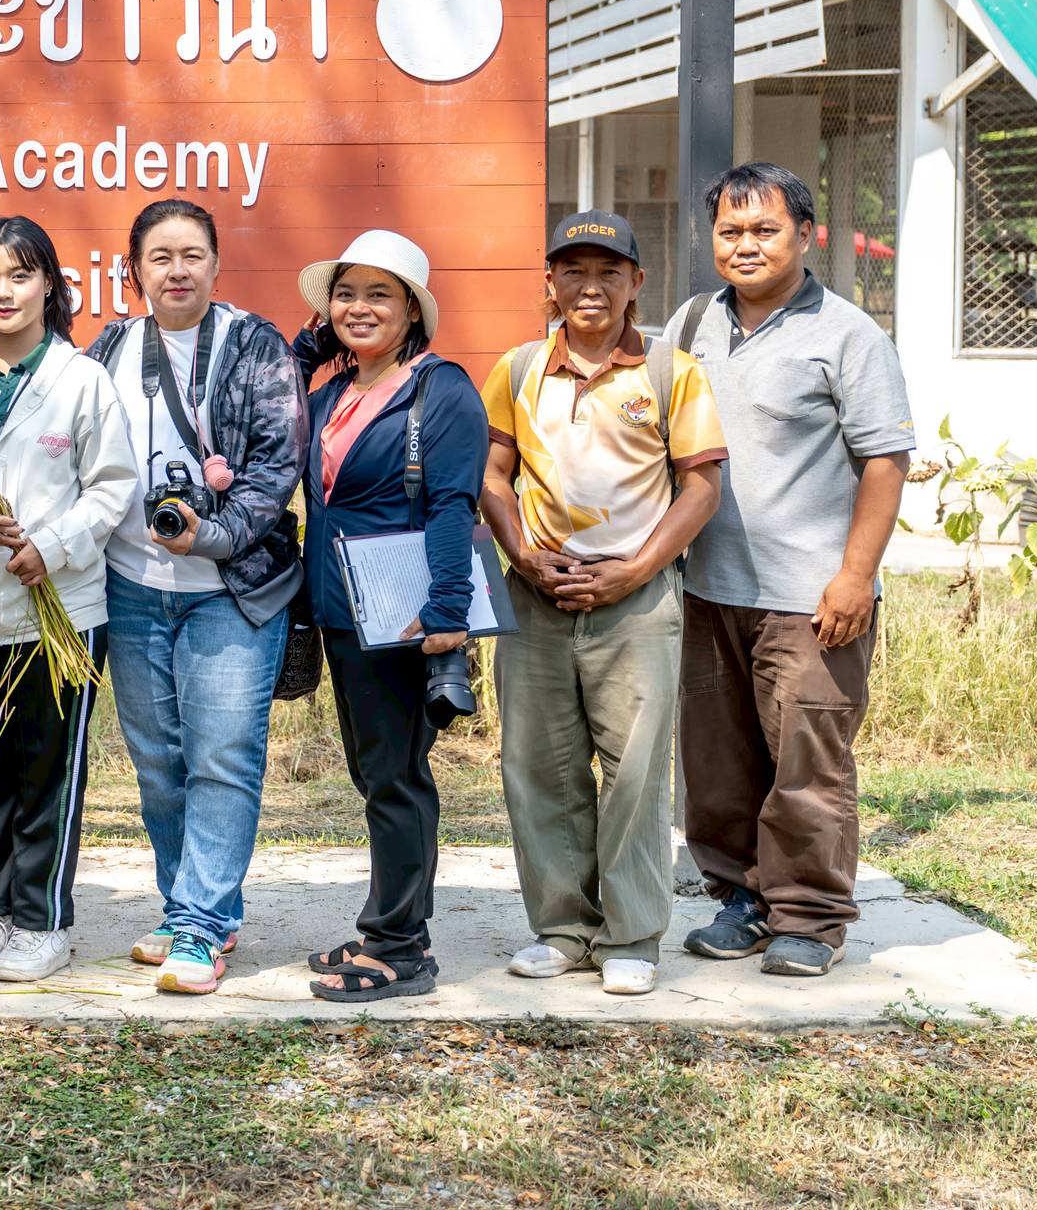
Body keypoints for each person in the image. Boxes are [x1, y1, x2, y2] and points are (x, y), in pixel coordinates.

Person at [667, 163, 914, 978]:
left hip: (809, 599)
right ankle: (742, 900)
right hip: (709, 588)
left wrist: (855, 577)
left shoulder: (848, 335)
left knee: (809, 764)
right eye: (730, 231)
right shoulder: (692, 323)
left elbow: (885, 462)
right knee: (719, 764)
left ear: (805, 235)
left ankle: (810, 918)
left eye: (765, 229)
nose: (746, 245)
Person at [480, 209, 727, 998]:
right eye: (574, 271)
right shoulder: (519, 369)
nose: (591, 286)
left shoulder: (670, 371)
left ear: (635, 283)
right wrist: (522, 555)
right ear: (550, 282)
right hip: (538, 596)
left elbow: (701, 487)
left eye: (608, 272)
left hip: (637, 602)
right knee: (538, 768)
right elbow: (491, 476)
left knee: (634, 774)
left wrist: (636, 570)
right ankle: (562, 929)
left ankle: (629, 936)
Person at [85, 198, 308, 997]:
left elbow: (276, 469)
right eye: (160, 257)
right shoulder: (110, 347)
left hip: (229, 590)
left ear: (216, 264)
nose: (176, 271)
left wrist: (210, 535)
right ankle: (191, 905)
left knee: (221, 756)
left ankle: (203, 926)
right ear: (134, 269)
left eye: (192, 256)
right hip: (132, 586)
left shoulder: (255, 346)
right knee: (158, 765)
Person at [0, 216, 138, 982]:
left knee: (46, 770)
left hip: (59, 611)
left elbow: (112, 488)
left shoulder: (82, 381)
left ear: (50, 284)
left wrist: (55, 544)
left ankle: (42, 921)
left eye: (20, 275)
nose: (3, 291)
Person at [290, 231, 485, 1004]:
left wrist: (447, 610)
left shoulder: (441, 390)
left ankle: (402, 949)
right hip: (343, 614)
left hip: (405, 617)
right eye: (346, 293)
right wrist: (305, 352)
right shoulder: (330, 395)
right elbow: (271, 419)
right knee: (375, 774)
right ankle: (389, 927)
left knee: (397, 778)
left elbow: (453, 504)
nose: (359, 307)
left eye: (380, 294)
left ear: (412, 311)